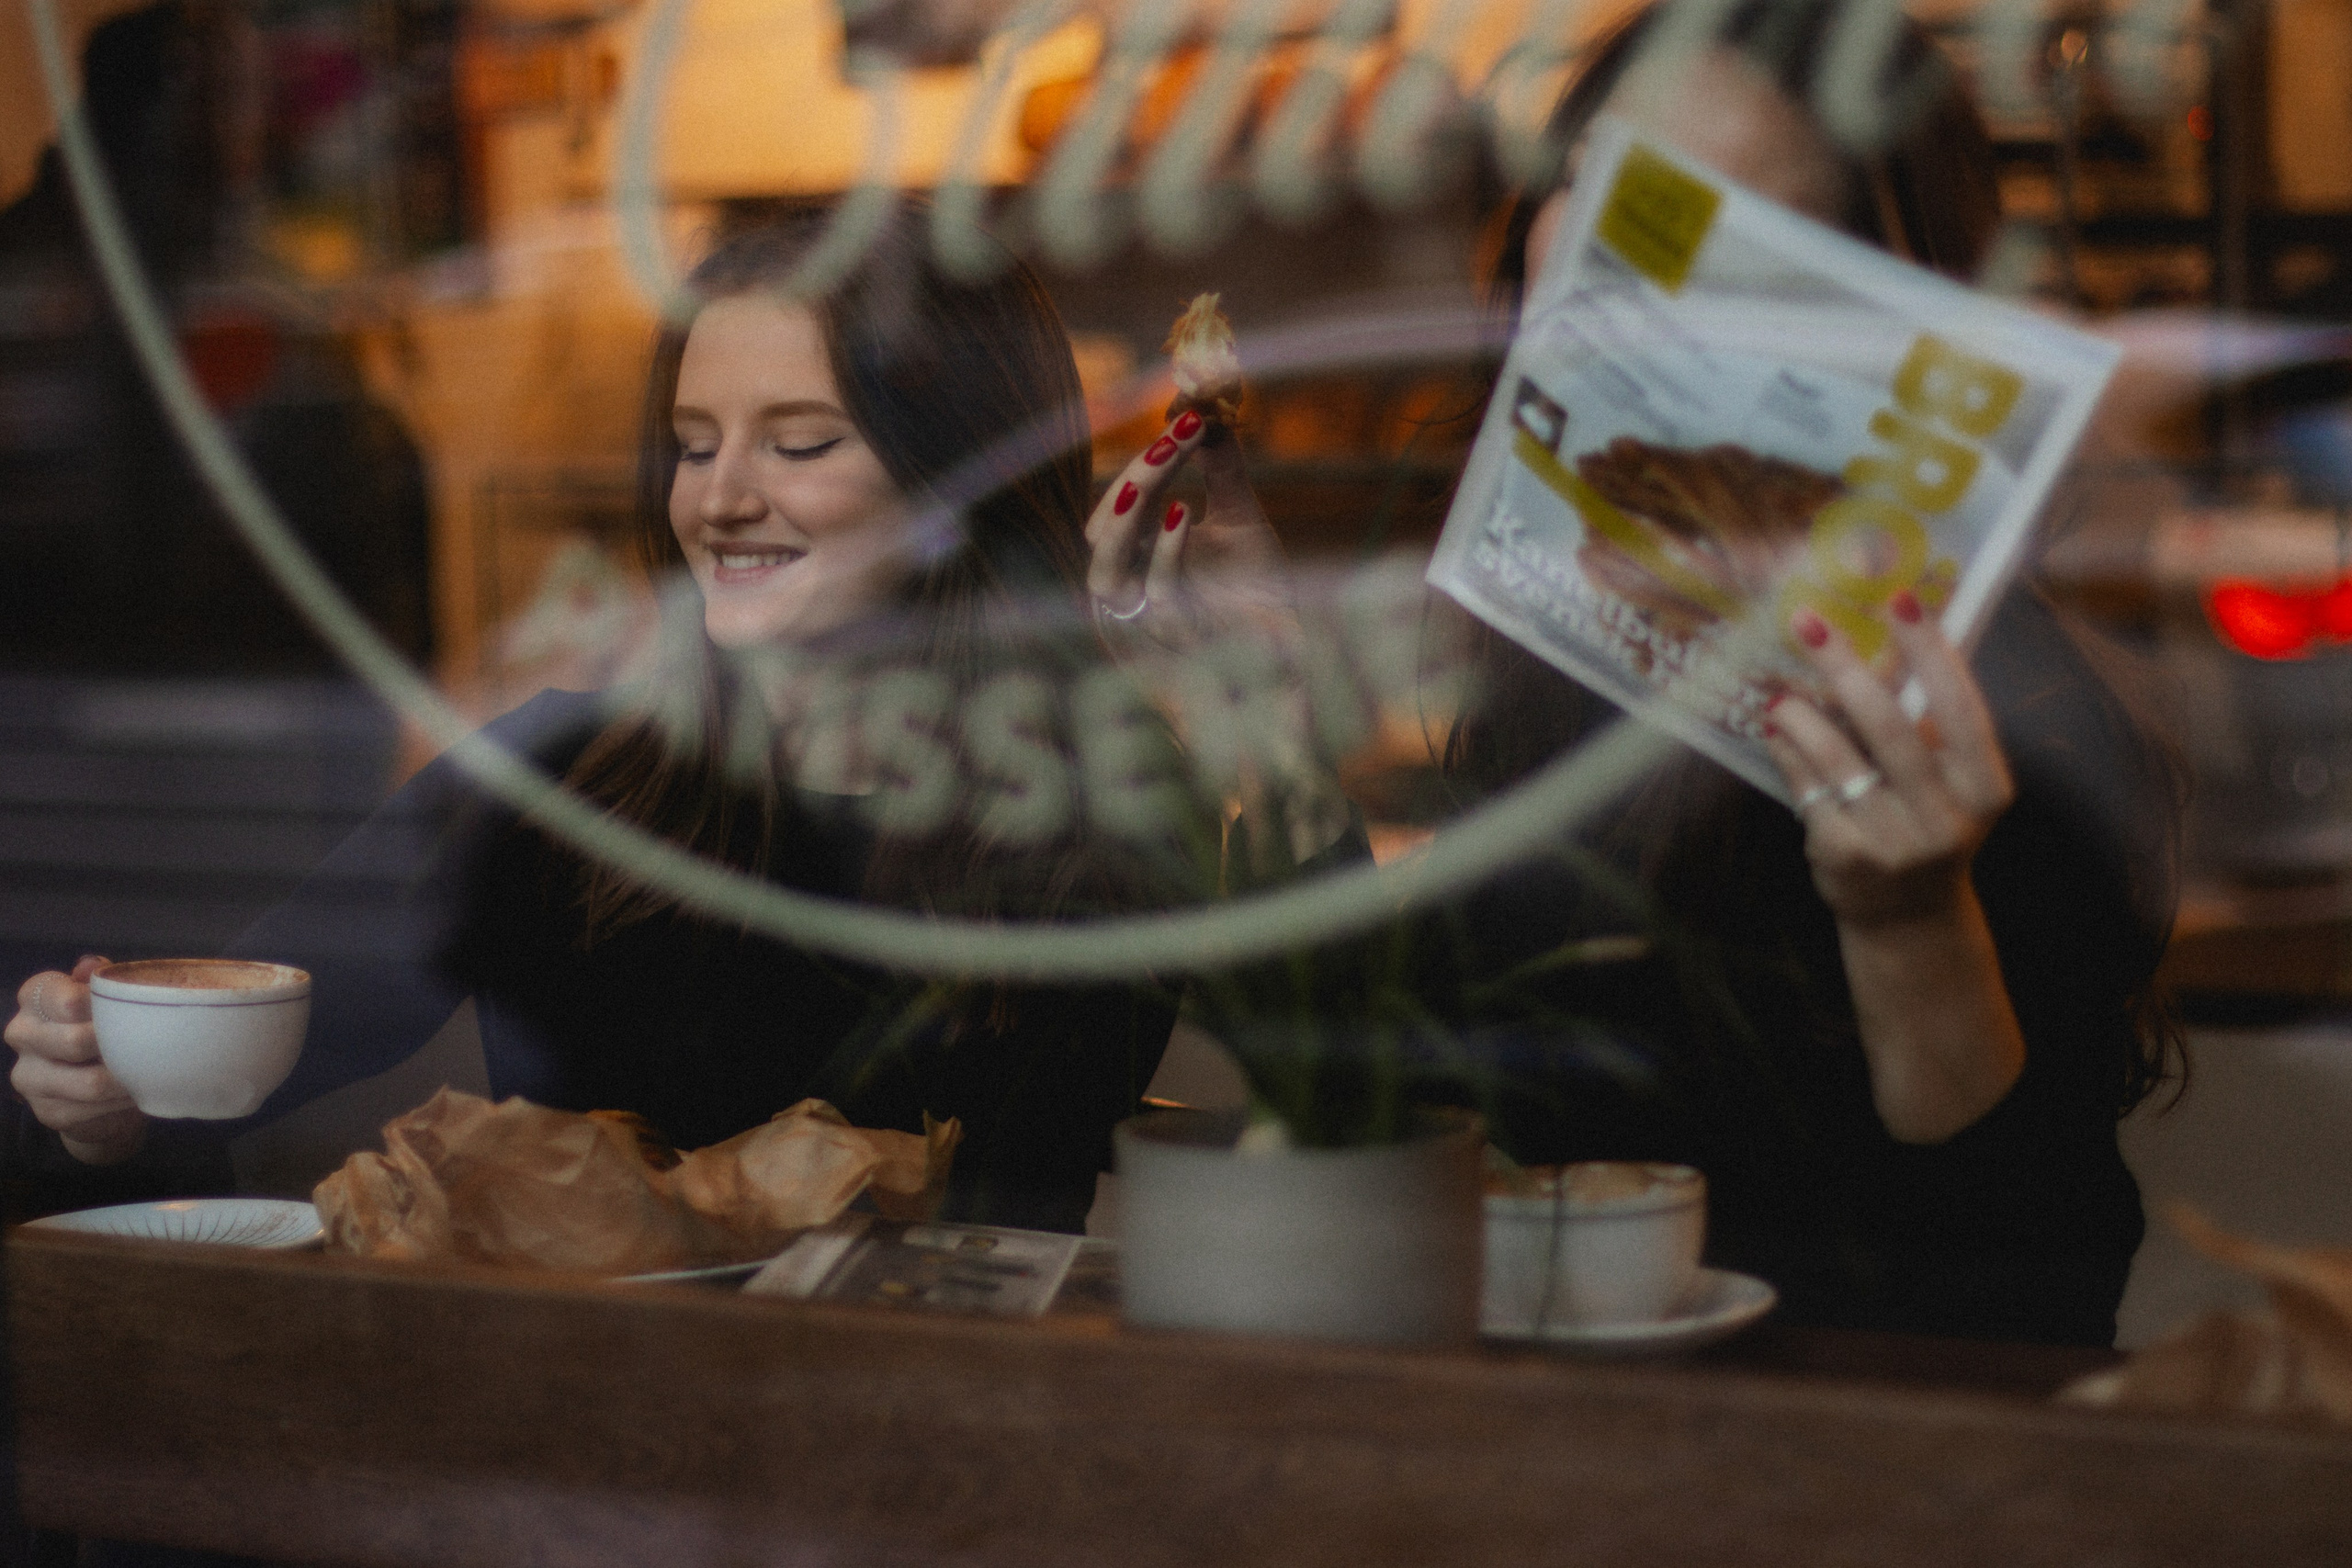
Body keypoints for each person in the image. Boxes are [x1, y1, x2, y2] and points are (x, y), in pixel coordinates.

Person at [5, 203, 1192, 1235]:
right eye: (692, 446)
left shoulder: (1092, 820)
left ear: (967, 474)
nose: (720, 499)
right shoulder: (567, 775)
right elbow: (248, 1048)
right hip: (583, 1400)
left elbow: (1024, 1215)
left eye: (799, 442)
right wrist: (101, 1097)